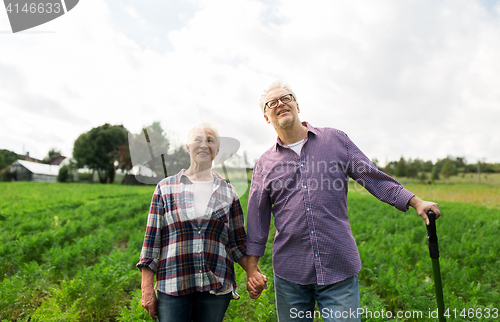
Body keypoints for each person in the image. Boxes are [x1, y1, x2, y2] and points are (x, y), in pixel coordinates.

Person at [244, 81, 441, 322]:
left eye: (285, 98)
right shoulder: (264, 164)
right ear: (266, 117)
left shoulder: (335, 140)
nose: (280, 104)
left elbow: (372, 177)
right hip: (290, 274)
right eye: (271, 103)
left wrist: (415, 201)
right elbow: (256, 218)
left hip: (338, 267)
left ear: (297, 104)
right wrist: (251, 267)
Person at [137, 123, 267, 322]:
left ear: (216, 150)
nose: (204, 145)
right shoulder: (165, 188)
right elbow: (151, 241)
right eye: (198, 139)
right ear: (188, 147)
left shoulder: (228, 192)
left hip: (215, 287)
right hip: (173, 284)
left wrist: (253, 273)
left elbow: (238, 243)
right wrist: (146, 288)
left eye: (210, 140)